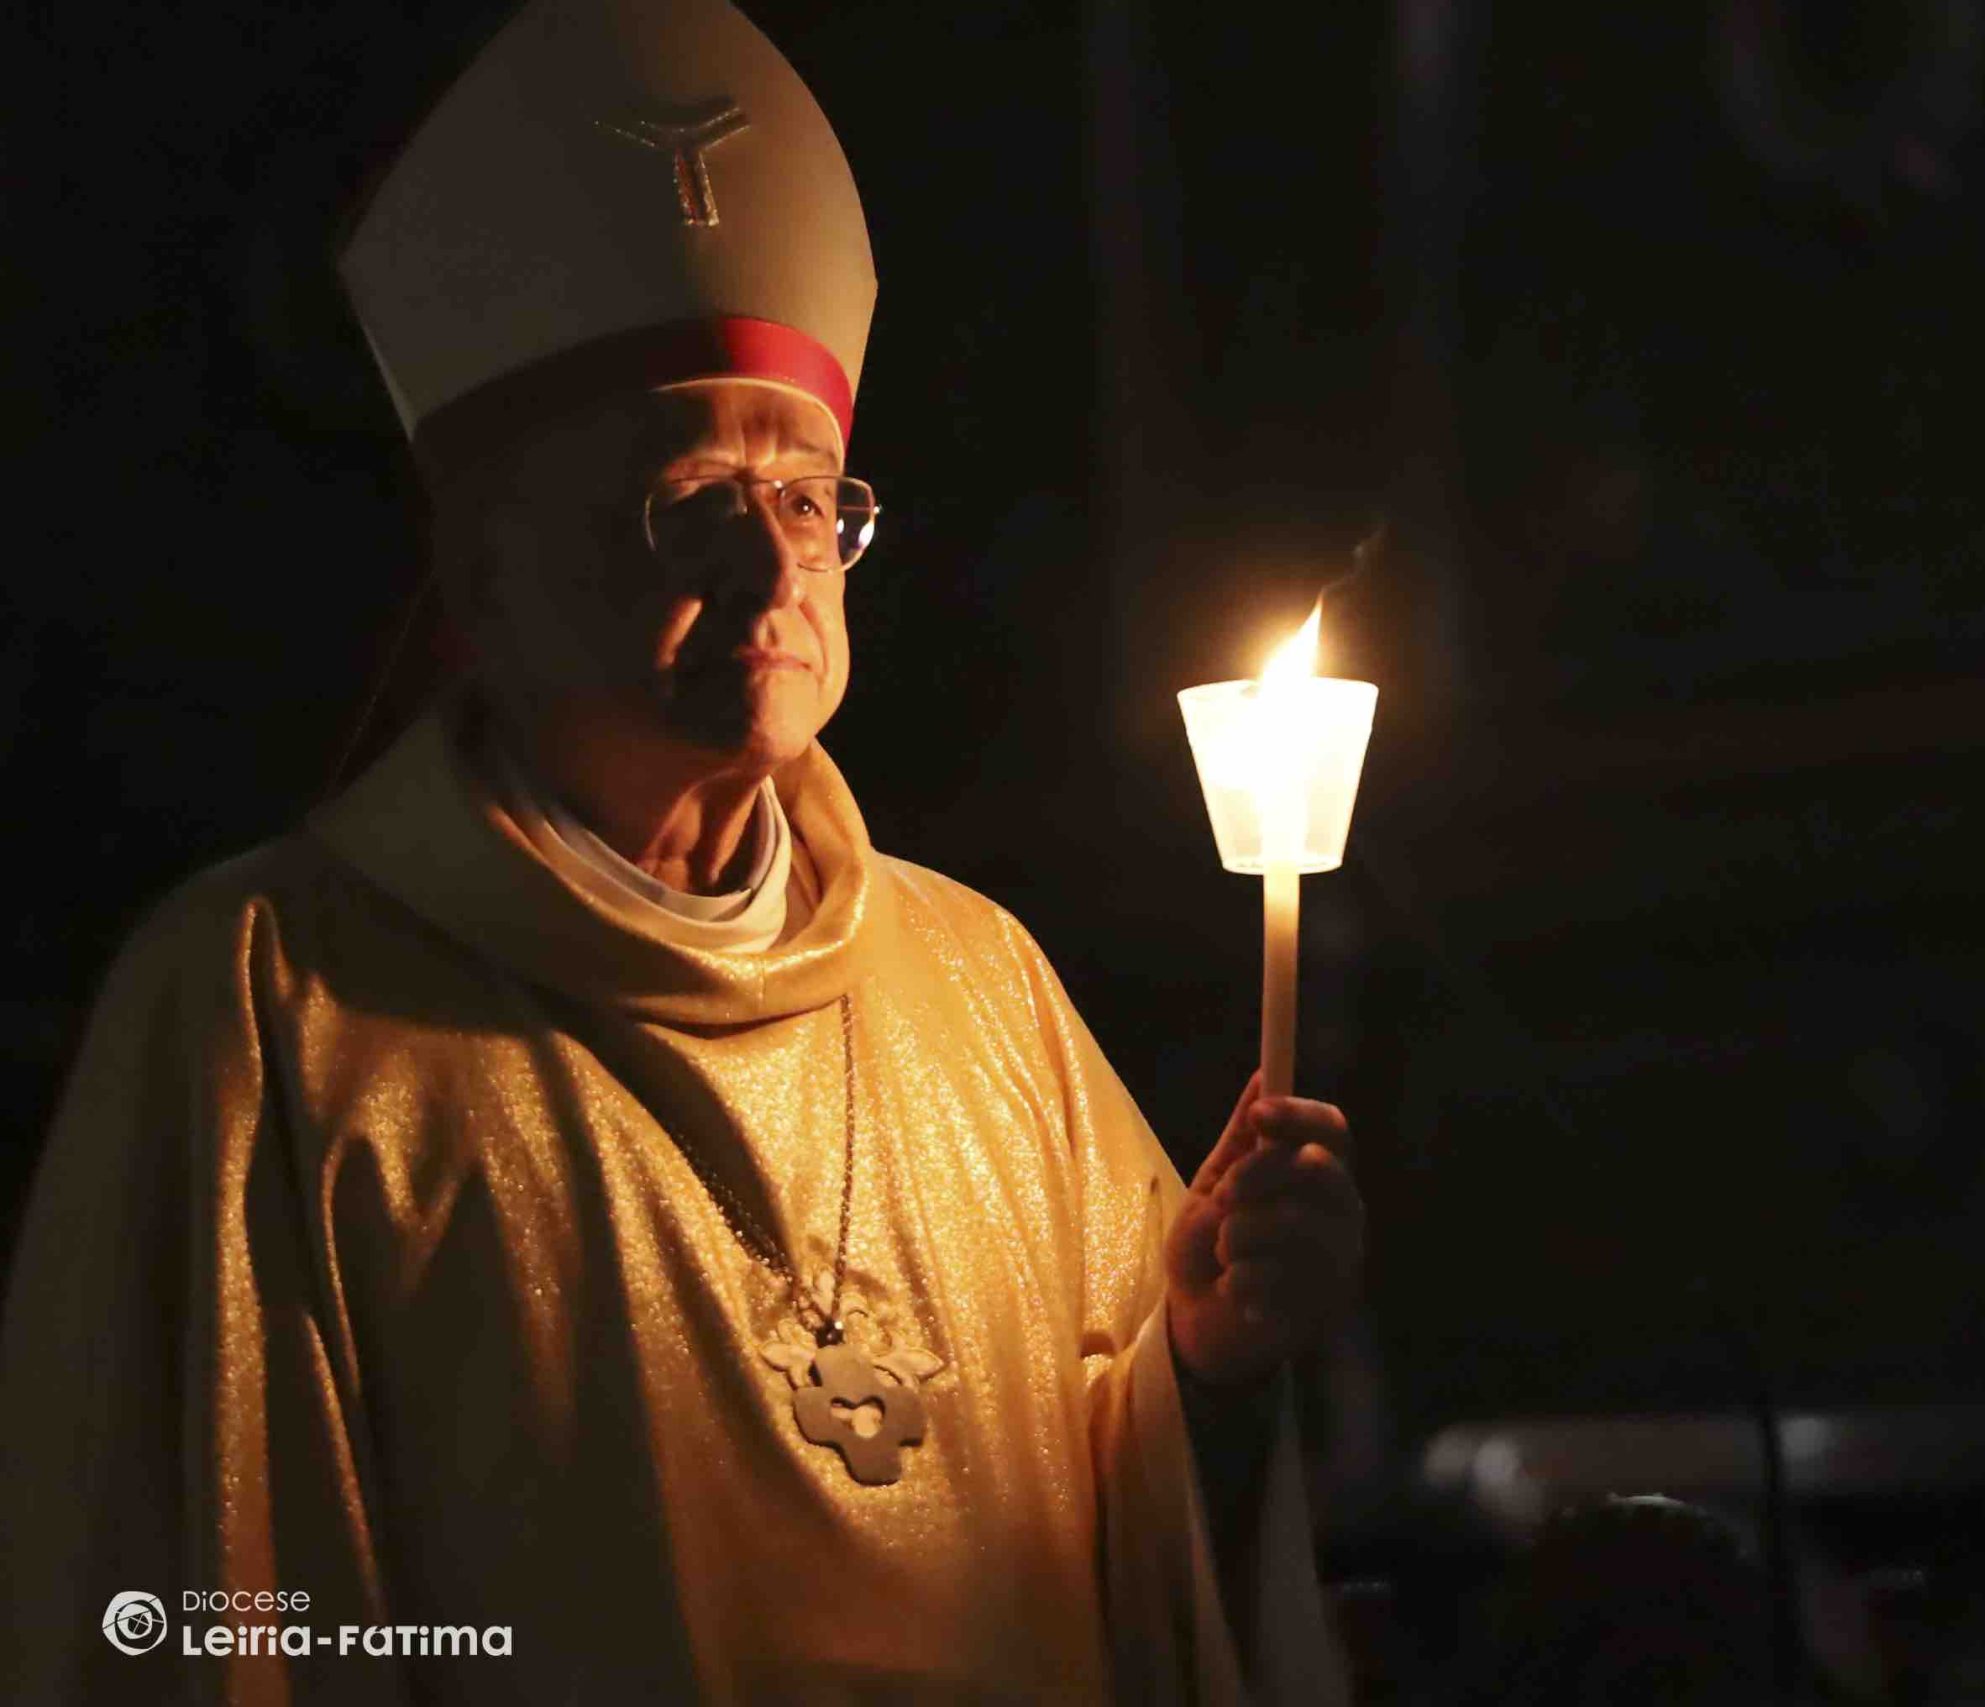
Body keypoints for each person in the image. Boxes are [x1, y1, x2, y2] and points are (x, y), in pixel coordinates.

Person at [0, 0, 1360, 1701]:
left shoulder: (984, 994)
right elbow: (189, 1618)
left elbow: (1135, 1539)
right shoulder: (273, 1018)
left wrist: (1209, 1366)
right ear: (483, 585)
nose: (771, 563)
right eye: (686, 499)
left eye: (810, 500)